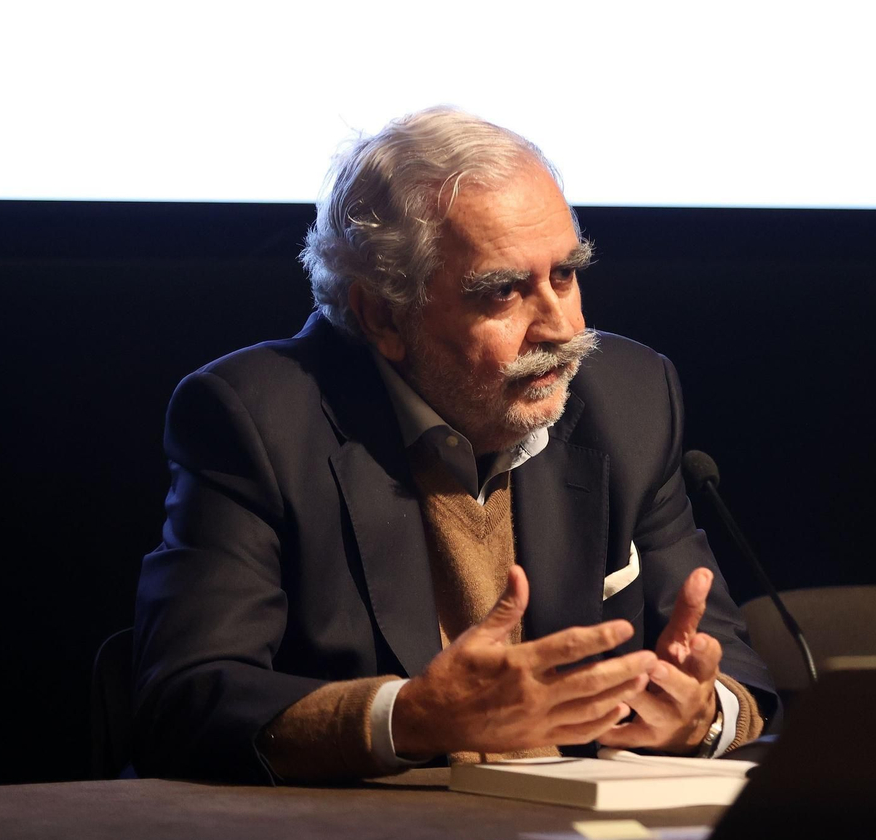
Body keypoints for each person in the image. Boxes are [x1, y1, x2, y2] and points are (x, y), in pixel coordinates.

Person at [132, 107, 775, 784]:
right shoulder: (257, 420)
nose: (560, 327)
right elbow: (185, 702)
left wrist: (700, 714)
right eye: (504, 291)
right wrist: (408, 716)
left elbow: (737, 673)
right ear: (382, 315)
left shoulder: (631, 398)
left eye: (565, 275)